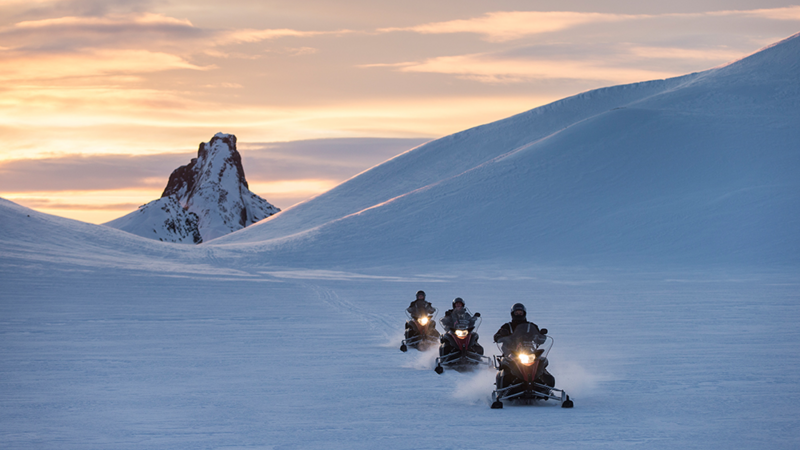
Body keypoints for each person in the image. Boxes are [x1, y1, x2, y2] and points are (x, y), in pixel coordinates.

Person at [493, 303, 554, 388]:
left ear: (524, 313)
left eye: (520, 313)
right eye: (516, 313)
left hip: (529, 353)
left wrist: (541, 337)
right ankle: (504, 387)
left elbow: (539, 337)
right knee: (506, 365)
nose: (518, 315)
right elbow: (496, 337)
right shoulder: (507, 326)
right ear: (513, 314)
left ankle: (546, 386)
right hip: (511, 353)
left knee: (542, 363)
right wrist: (502, 335)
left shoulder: (531, 326)